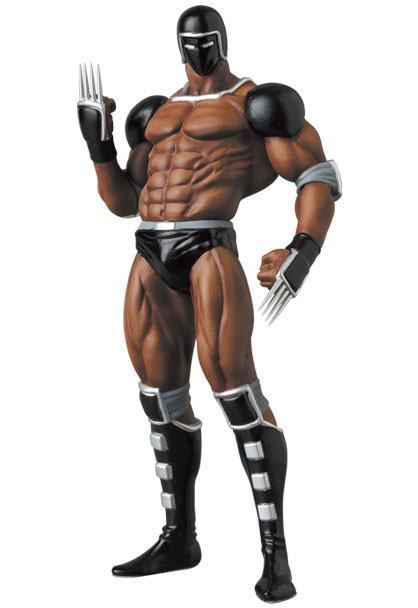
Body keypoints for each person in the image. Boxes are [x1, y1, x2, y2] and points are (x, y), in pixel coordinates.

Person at [77, 5, 341, 603]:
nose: (197, 49)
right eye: (188, 41)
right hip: (149, 249)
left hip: (209, 246)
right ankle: (179, 539)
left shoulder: (257, 104)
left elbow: (316, 173)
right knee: (158, 393)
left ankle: (276, 555)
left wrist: (302, 248)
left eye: (206, 39)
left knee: (234, 387)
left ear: (223, 41)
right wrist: (98, 148)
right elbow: (125, 201)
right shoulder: (154, 114)